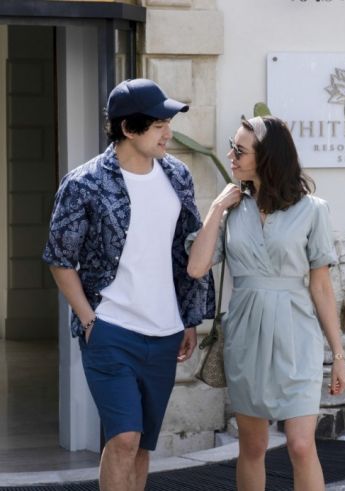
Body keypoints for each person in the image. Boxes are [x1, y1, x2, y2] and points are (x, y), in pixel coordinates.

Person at [42, 78, 212, 491]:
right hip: (110, 329)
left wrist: (188, 318)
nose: (168, 133)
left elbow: (181, 253)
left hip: (166, 329)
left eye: (167, 123)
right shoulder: (85, 183)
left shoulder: (178, 176)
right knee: (123, 437)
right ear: (128, 129)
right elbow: (59, 258)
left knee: (142, 445)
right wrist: (88, 319)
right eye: (158, 125)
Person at [186, 115, 345, 491]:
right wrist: (215, 210)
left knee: (302, 444)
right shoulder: (231, 210)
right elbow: (196, 268)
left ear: (267, 158)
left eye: (240, 151)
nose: (231, 155)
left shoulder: (313, 210)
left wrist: (338, 355)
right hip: (246, 335)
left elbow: (322, 287)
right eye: (233, 147)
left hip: (297, 335)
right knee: (253, 445)